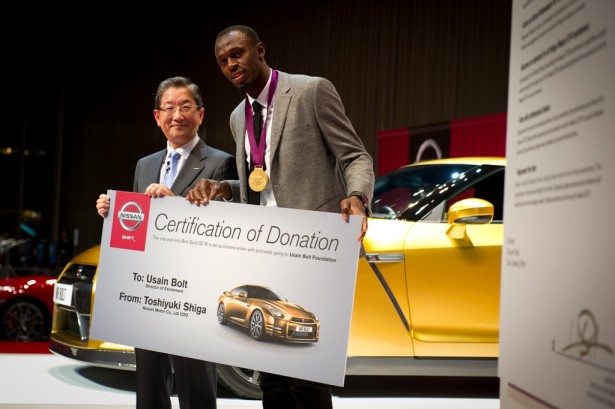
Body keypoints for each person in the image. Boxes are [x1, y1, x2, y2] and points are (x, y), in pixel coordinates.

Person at [186, 25, 375, 409]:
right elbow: (262, 188)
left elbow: (356, 156)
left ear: (260, 50)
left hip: (312, 249)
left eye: (237, 54)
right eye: (223, 61)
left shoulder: (310, 91)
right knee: (269, 377)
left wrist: (357, 197)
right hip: (265, 254)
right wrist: (226, 189)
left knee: (307, 376)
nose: (231, 65)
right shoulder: (238, 117)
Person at [95, 76, 239, 409]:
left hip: (195, 292)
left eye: (186, 107)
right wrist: (112, 212)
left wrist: (174, 202)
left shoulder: (220, 162)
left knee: (196, 387)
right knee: (149, 386)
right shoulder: (145, 164)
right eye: (169, 108)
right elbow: (139, 227)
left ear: (201, 114)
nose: (178, 115)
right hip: (149, 289)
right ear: (157, 116)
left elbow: (224, 228)